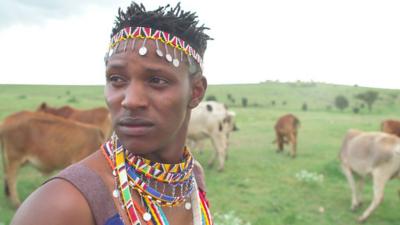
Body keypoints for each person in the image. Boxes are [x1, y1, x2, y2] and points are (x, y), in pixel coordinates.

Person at [11, 2, 213, 225]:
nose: (130, 100)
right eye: (116, 79)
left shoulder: (192, 177)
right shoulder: (61, 205)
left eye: (157, 80)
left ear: (196, 92)